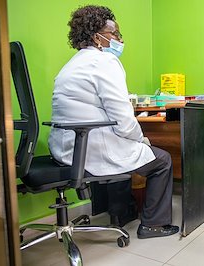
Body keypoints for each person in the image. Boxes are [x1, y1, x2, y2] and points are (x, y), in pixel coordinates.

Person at [48, 5, 179, 239]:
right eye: (114, 34)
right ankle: (154, 225)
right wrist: (143, 140)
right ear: (96, 37)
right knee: (162, 160)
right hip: (91, 149)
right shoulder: (104, 62)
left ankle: (122, 213)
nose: (119, 39)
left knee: (130, 150)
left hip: (66, 149)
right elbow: (123, 119)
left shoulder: (70, 65)